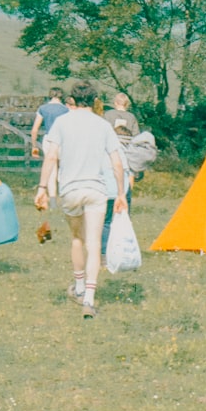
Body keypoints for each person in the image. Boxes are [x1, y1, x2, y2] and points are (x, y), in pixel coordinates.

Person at [34, 81, 128, 319]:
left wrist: (42, 187)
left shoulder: (62, 122)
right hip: (96, 190)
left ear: (72, 99)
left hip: (70, 189)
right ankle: (89, 297)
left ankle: (77, 287)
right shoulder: (102, 125)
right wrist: (120, 194)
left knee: (77, 238)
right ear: (96, 100)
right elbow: (117, 162)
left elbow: (51, 156)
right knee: (94, 244)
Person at [30, 87, 69, 160]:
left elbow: (34, 130)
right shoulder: (66, 110)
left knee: (50, 165)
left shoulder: (42, 108)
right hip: (61, 139)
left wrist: (34, 146)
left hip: (48, 139)